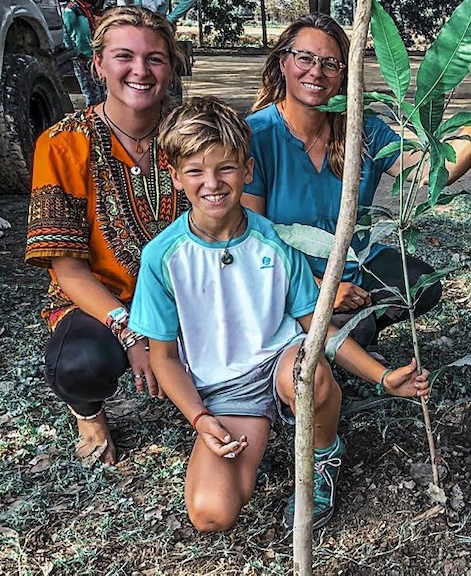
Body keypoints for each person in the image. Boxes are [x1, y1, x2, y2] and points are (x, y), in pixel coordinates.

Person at [128, 96, 430, 532]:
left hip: (280, 362)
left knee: (309, 373)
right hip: (226, 391)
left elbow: (317, 329)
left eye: (225, 168)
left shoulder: (276, 240)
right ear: (175, 177)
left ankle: (324, 456)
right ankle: (252, 428)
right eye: (195, 171)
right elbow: (164, 358)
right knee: (211, 513)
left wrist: (382, 378)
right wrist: (201, 418)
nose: (212, 183)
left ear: (247, 171)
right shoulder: (162, 257)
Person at [243, 13, 471, 353]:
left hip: (356, 263)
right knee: (336, 340)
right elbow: (253, 242)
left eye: (331, 63)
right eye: (305, 58)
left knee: (420, 285)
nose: (316, 71)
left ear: (344, 74)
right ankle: (327, 333)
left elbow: (433, 170)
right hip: (287, 278)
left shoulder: (362, 127)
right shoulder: (255, 135)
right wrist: (318, 288)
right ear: (283, 62)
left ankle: (356, 325)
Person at [25, 6, 189, 466]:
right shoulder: (62, 143)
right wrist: (134, 334)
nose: (141, 70)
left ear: (170, 67)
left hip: (188, 294)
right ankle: (89, 413)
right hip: (102, 301)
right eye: (124, 56)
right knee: (80, 364)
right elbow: (70, 271)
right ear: (98, 64)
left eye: (155, 58)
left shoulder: (189, 133)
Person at [59, 0, 105, 106]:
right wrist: (75, 54)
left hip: (92, 55)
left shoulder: (85, 8)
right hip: (82, 58)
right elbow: (66, 34)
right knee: (90, 94)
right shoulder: (70, 11)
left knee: (100, 90)